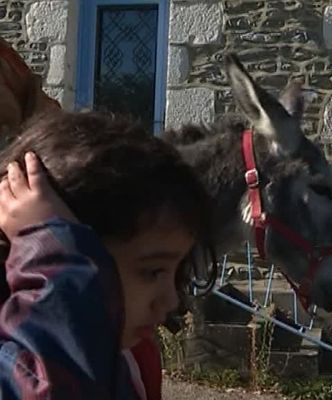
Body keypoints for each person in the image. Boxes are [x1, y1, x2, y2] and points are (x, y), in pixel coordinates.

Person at [0, 111, 214, 399]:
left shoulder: (128, 358)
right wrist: (55, 256)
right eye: (152, 271)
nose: (172, 300)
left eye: (176, 271)